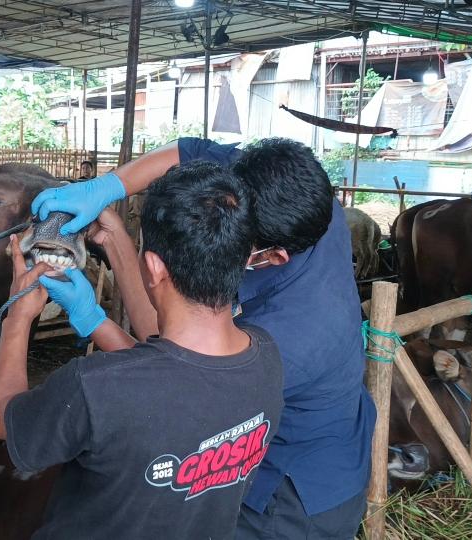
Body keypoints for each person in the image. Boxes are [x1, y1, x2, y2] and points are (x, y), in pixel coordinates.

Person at [30, 138, 374, 539]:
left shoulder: (293, 336)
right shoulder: (299, 196)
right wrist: (107, 188)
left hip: (287, 496)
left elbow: (177, 374)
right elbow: (190, 151)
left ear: (274, 254)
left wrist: (93, 319)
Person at [0, 162, 284, 539]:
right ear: (243, 260)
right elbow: (174, 381)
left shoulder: (92, 386)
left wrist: (18, 318)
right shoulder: (266, 358)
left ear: (154, 267)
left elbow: (4, 419)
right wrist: (94, 319)